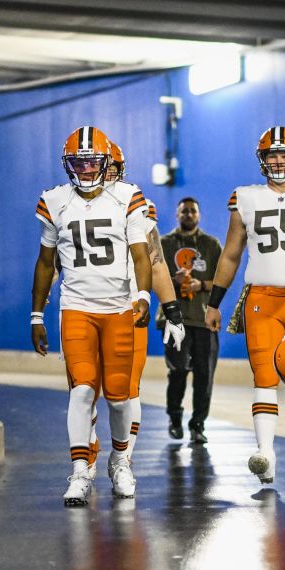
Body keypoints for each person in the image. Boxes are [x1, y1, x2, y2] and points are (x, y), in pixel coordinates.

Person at [30, 126, 155, 506]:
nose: (86, 170)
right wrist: (37, 313)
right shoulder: (54, 201)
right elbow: (46, 262)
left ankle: (120, 460)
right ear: (68, 165)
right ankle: (81, 470)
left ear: (106, 163)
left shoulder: (127, 197)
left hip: (118, 308)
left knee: (118, 399)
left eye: (92, 162)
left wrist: (145, 295)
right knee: (82, 389)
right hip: (77, 308)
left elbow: (140, 252)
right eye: (79, 163)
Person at [205, 126, 285, 485]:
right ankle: (265, 451)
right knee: (264, 377)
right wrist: (214, 302)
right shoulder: (246, 197)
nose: (278, 161)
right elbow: (231, 254)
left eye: (284, 154)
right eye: (272, 155)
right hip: (262, 299)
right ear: (262, 160)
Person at [81, 142, 187, 498]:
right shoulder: (69, 202)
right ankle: (88, 456)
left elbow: (155, 261)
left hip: (129, 307)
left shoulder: (136, 203)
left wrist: (171, 308)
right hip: (87, 306)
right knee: (85, 388)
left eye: (111, 167)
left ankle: (123, 459)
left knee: (126, 391)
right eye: (98, 165)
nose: (104, 174)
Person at [159, 198, 222, 444]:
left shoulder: (211, 245)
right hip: (175, 319)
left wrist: (201, 284)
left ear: (199, 215)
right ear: (177, 214)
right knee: (178, 371)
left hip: (204, 319)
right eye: (184, 210)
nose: (188, 214)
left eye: (193, 210)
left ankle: (198, 425)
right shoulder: (165, 244)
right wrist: (170, 280)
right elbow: (152, 274)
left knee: (205, 375)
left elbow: (222, 277)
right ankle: (175, 418)